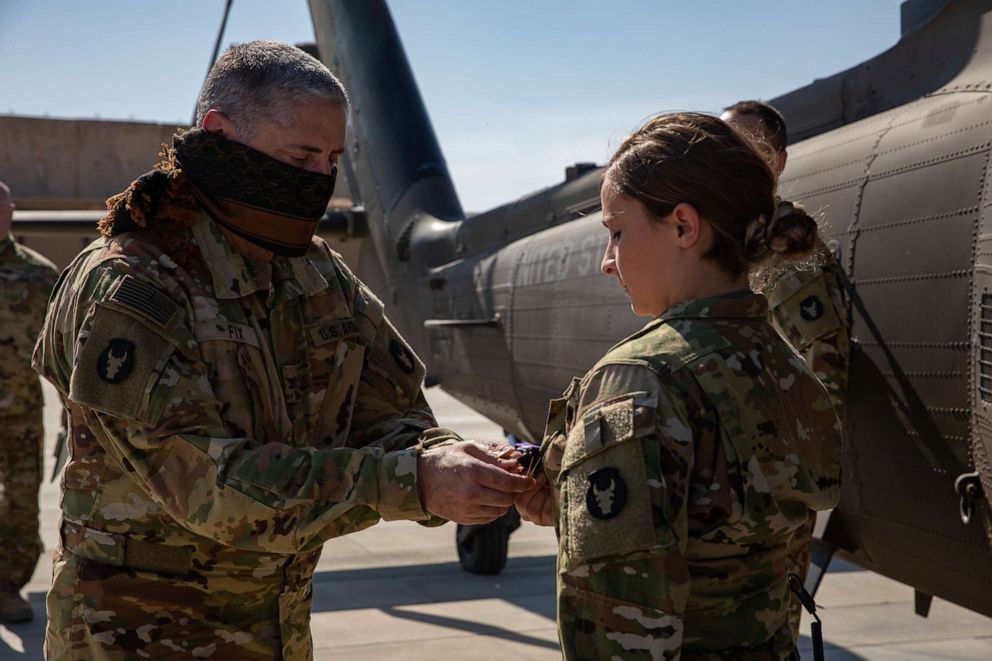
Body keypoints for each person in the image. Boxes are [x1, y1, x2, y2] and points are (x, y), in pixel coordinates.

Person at [33, 41, 533, 660]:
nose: (319, 179)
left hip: (277, 627)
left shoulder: (315, 272)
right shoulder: (134, 284)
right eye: (300, 156)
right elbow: (209, 488)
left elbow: (389, 413)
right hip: (135, 636)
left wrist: (459, 464)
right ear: (220, 133)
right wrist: (413, 483)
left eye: (331, 160)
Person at [516, 112, 841, 660]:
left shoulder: (640, 378)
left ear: (684, 227)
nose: (607, 261)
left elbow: (620, 626)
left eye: (617, 232)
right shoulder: (784, 364)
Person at [722, 100, 851, 640]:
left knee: (762, 634)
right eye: (724, 144)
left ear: (778, 161)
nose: (732, 158)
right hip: (725, 477)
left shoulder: (785, 248)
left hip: (767, 492)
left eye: (749, 147)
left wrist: (773, 482)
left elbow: (825, 377)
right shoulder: (731, 239)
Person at [0, 180, 58, 623]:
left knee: (21, 501)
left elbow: (64, 350)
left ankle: (7, 587)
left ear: (12, 211)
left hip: (19, 412)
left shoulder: (39, 275)